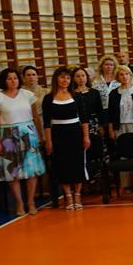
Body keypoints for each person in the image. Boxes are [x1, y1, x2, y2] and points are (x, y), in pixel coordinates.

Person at [0, 68, 46, 216]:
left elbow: (36, 117)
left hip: (29, 133)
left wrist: (41, 135)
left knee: (31, 170)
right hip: (8, 135)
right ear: (3, 81)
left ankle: (31, 202)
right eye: (9, 78)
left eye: (15, 78)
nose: (13, 81)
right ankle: (19, 203)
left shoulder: (27, 95)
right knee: (12, 171)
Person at [42, 67, 89, 210]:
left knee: (77, 164)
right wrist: (48, 141)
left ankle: (77, 194)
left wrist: (86, 136)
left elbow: (84, 119)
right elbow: (46, 123)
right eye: (62, 77)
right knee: (62, 165)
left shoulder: (77, 96)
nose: (65, 80)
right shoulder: (48, 98)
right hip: (58, 134)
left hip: (75, 133)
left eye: (68, 78)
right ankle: (68, 195)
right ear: (56, 79)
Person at [107, 65, 133, 193]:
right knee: (123, 155)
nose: (124, 77)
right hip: (120, 127)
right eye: (121, 74)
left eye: (126, 74)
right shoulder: (114, 94)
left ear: (130, 75)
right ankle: (126, 185)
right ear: (117, 77)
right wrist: (111, 129)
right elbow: (110, 113)